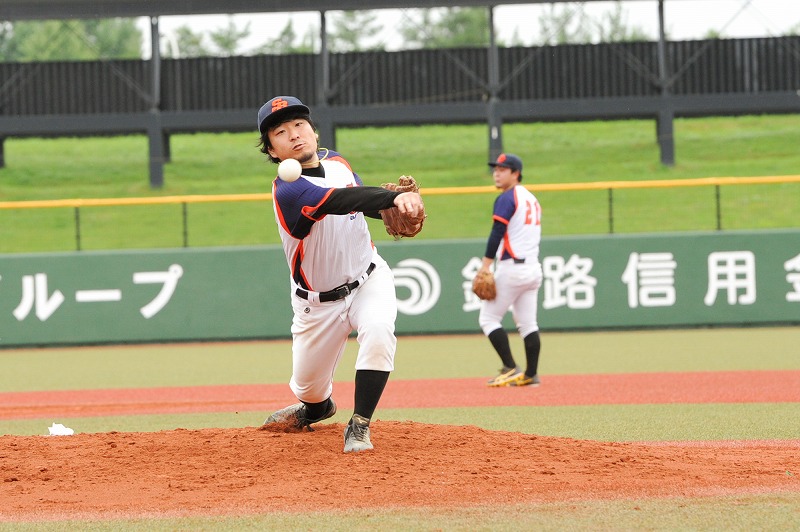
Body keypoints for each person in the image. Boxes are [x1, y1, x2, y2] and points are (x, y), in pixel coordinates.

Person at [256, 96, 424, 453]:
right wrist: (390, 199)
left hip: (368, 278)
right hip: (316, 304)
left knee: (379, 332)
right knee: (309, 389)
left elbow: (357, 202)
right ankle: (316, 408)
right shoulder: (287, 189)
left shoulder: (339, 163)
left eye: (299, 125)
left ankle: (359, 425)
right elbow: (335, 200)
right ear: (271, 151)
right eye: (281, 132)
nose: (294, 134)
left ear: (314, 131)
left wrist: (393, 208)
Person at [478, 153, 544, 388]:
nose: (497, 173)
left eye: (503, 169)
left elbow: (497, 232)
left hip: (512, 268)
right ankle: (531, 374)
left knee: (488, 318)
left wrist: (485, 265)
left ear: (516, 173)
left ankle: (510, 367)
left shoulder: (508, 197)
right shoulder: (531, 198)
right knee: (528, 324)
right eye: (495, 169)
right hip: (533, 269)